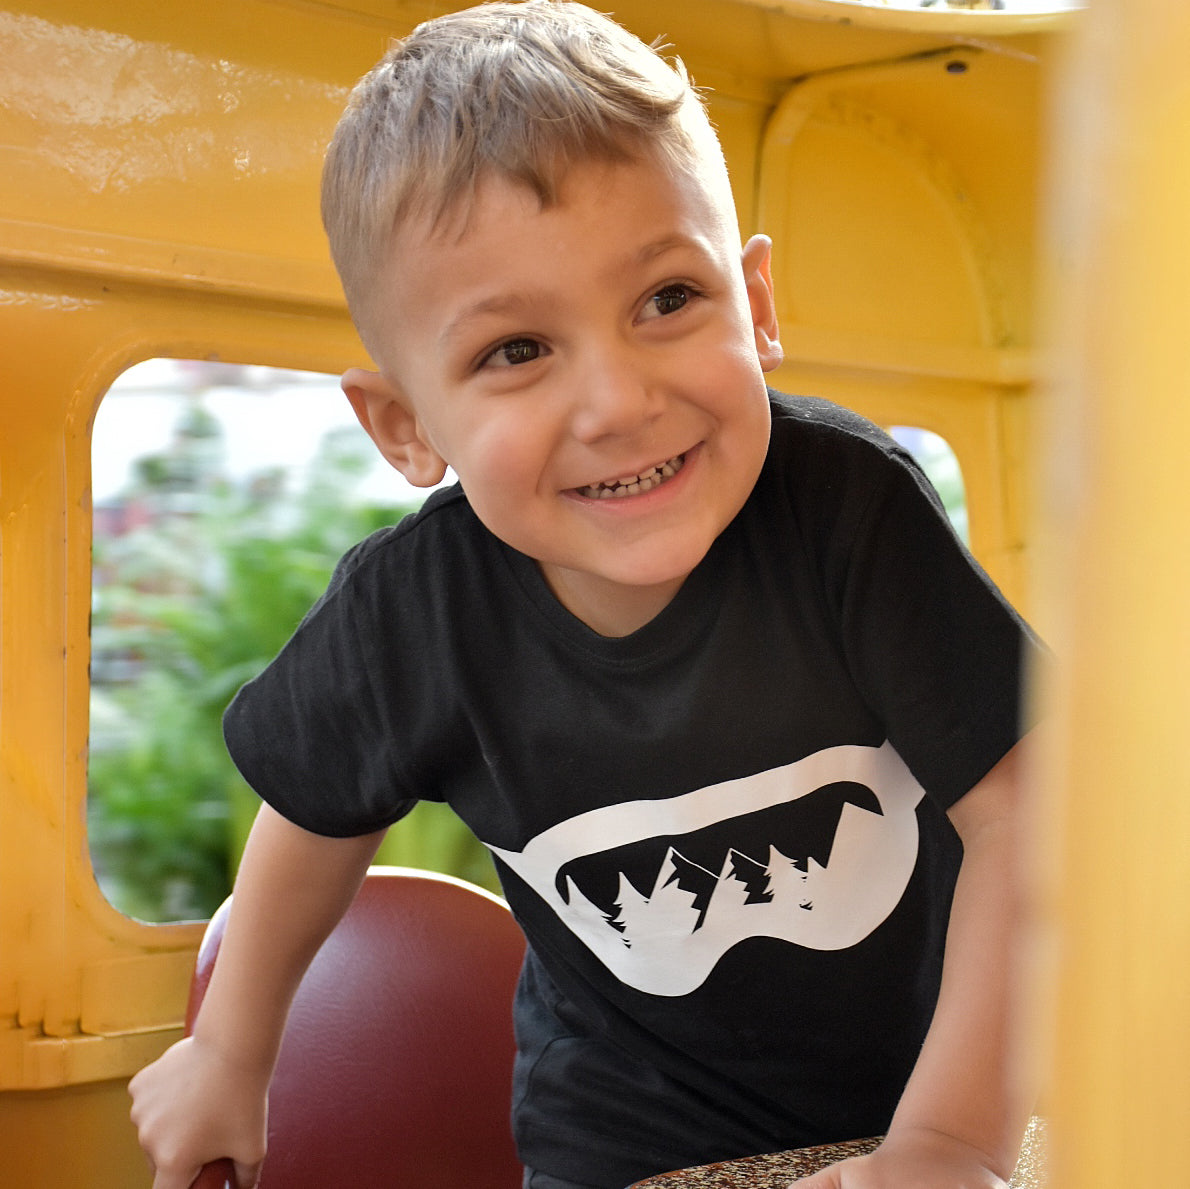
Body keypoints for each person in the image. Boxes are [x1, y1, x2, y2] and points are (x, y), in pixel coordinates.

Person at [129, 3, 1044, 1187]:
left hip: (919, 1095)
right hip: (621, 1139)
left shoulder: (846, 512)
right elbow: (313, 811)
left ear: (756, 305)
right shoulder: (418, 611)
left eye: (667, 299)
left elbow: (1024, 812)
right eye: (515, 351)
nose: (618, 402)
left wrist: (950, 1139)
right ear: (405, 426)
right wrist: (228, 1052)